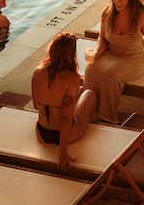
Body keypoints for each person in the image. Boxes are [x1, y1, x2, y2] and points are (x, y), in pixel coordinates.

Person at [32, 33, 96, 171]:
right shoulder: (73, 78)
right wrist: (62, 153)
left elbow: (36, 105)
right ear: (71, 55)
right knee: (89, 94)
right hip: (67, 135)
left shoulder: (37, 72)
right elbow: (67, 119)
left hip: (42, 132)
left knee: (80, 92)